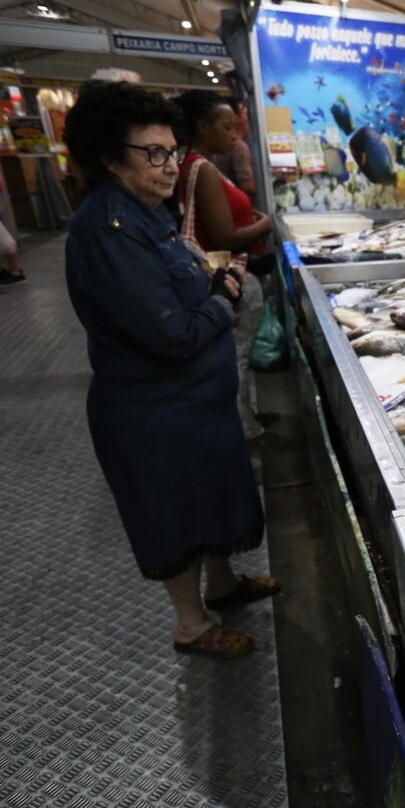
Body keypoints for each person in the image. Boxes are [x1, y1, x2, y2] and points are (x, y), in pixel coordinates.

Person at [63, 80, 278, 659]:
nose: (168, 166)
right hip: (155, 413)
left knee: (211, 500)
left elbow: (177, 283)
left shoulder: (147, 212)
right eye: (152, 154)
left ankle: (224, 585)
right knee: (175, 518)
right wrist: (222, 300)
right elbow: (168, 333)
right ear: (110, 157)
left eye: (172, 152)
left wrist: (209, 285)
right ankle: (192, 625)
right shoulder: (108, 228)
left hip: (195, 404)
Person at [171, 90, 283, 448]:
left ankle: (246, 416)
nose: (234, 135)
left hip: (219, 271)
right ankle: (246, 431)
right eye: (226, 126)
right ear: (203, 126)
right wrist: (267, 223)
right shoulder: (201, 168)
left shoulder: (192, 164)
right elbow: (225, 236)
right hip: (225, 273)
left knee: (238, 355)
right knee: (236, 356)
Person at [213, 98, 256, 200]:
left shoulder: (221, 143)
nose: (247, 116)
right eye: (244, 112)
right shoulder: (238, 147)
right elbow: (248, 187)